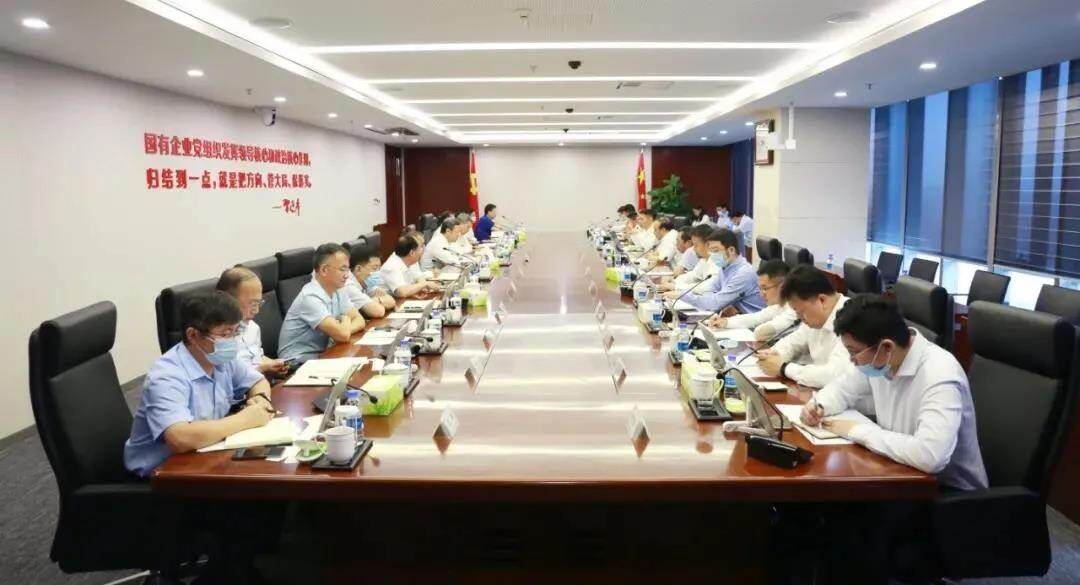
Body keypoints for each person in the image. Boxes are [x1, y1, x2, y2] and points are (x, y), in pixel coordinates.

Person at [800, 294, 987, 489]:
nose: (851, 360)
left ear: (887, 346)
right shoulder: (882, 359)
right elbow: (843, 388)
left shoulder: (940, 373)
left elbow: (931, 456)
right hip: (897, 471)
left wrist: (857, 431)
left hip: (946, 491)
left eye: (854, 352)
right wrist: (819, 405)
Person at [124, 291, 275, 477]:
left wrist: (260, 399)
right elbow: (179, 438)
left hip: (205, 456)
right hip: (162, 473)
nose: (232, 342)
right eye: (226, 334)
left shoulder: (221, 359)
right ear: (193, 335)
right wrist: (245, 419)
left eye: (236, 332)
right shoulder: (167, 376)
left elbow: (258, 381)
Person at [756, 265, 852, 388]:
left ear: (822, 300)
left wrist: (783, 368)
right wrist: (773, 354)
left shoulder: (853, 320)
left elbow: (833, 375)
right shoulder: (815, 318)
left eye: (801, 312)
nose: (799, 317)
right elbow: (792, 342)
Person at [278, 243, 367, 362]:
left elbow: (359, 320)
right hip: (297, 361)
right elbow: (342, 335)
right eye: (342, 269)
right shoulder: (310, 297)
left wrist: (344, 328)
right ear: (324, 270)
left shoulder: (338, 290)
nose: (347, 275)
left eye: (347, 269)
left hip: (323, 354)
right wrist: (345, 319)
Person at [665, 228, 764, 314]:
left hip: (751, 325)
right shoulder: (725, 267)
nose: (712, 255)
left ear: (731, 250)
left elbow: (716, 303)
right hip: (735, 318)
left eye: (716, 251)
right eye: (711, 251)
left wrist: (682, 295)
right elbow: (711, 291)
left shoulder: (744, 273)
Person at [214, 266, 288, 377]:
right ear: (229, 300)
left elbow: (258, 357)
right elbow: (227, 378)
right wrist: (261, 369)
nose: (256, 311)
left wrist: (274, 365)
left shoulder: (253, 327)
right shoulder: (214, 337)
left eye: (259, 303)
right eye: (253, 304)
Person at [706, 260, 798, 342]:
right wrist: (725, 322)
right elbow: (756, 317)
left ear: (783, 286)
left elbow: (761, 333)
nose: (761, 294)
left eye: (765, 289)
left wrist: (757, 329)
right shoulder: (778, 306)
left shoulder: (794, 310)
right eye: (760, 289)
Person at [663, 224, 716, 292]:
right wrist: (674, 282)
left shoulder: (716, 261)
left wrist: (675, 287)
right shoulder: (704, 260)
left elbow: (706, 287)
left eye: (696, 245)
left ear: (707, 244)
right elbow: (692, 276)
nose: (693, 249)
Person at [345, 249, 396, 318]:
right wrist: (376, 300)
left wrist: (375, 300)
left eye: (379, 268)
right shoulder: (348, 286)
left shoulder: (366, 282)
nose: (378, 272)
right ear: (358, 269)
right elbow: (378, 311)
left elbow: (392, 301)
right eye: (375, 268)